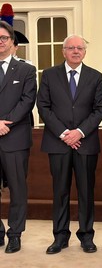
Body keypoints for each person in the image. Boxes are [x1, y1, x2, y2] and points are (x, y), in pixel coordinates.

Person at [37, 35, 102, 255]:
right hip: (58, 143)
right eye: (71, 48)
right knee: (60, 192)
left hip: (86, 143)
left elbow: (99, 109)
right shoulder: (49, 75)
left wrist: (80, 132)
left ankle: (86, 236)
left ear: (85, 52)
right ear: (63, 51)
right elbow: (43, 107)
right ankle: (60, 236)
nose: (76, 51)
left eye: (80, 48)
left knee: (86, 192)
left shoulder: (95, 76)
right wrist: (65, 133)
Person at [0, 20, 37, 253]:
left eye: (4, 38)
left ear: (13, 42)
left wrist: (6, 123)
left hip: (15, 137)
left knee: (17, 188)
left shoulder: (26, 69)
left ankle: (15, 234)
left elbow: (27, 100)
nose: (0, 42)